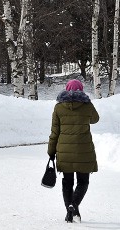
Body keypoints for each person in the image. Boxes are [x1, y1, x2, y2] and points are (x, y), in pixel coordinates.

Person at [48, 79, 99, 223]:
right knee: (83, 181)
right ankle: (74, 204)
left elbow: (54, 132)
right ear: (81, 90)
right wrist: (87, 104)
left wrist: (51, 151)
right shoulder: (87, 106)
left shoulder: (58, 108)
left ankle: (69, 213)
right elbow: (95, 119)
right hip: (84, 151)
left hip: (64, 151)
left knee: (67, 182)